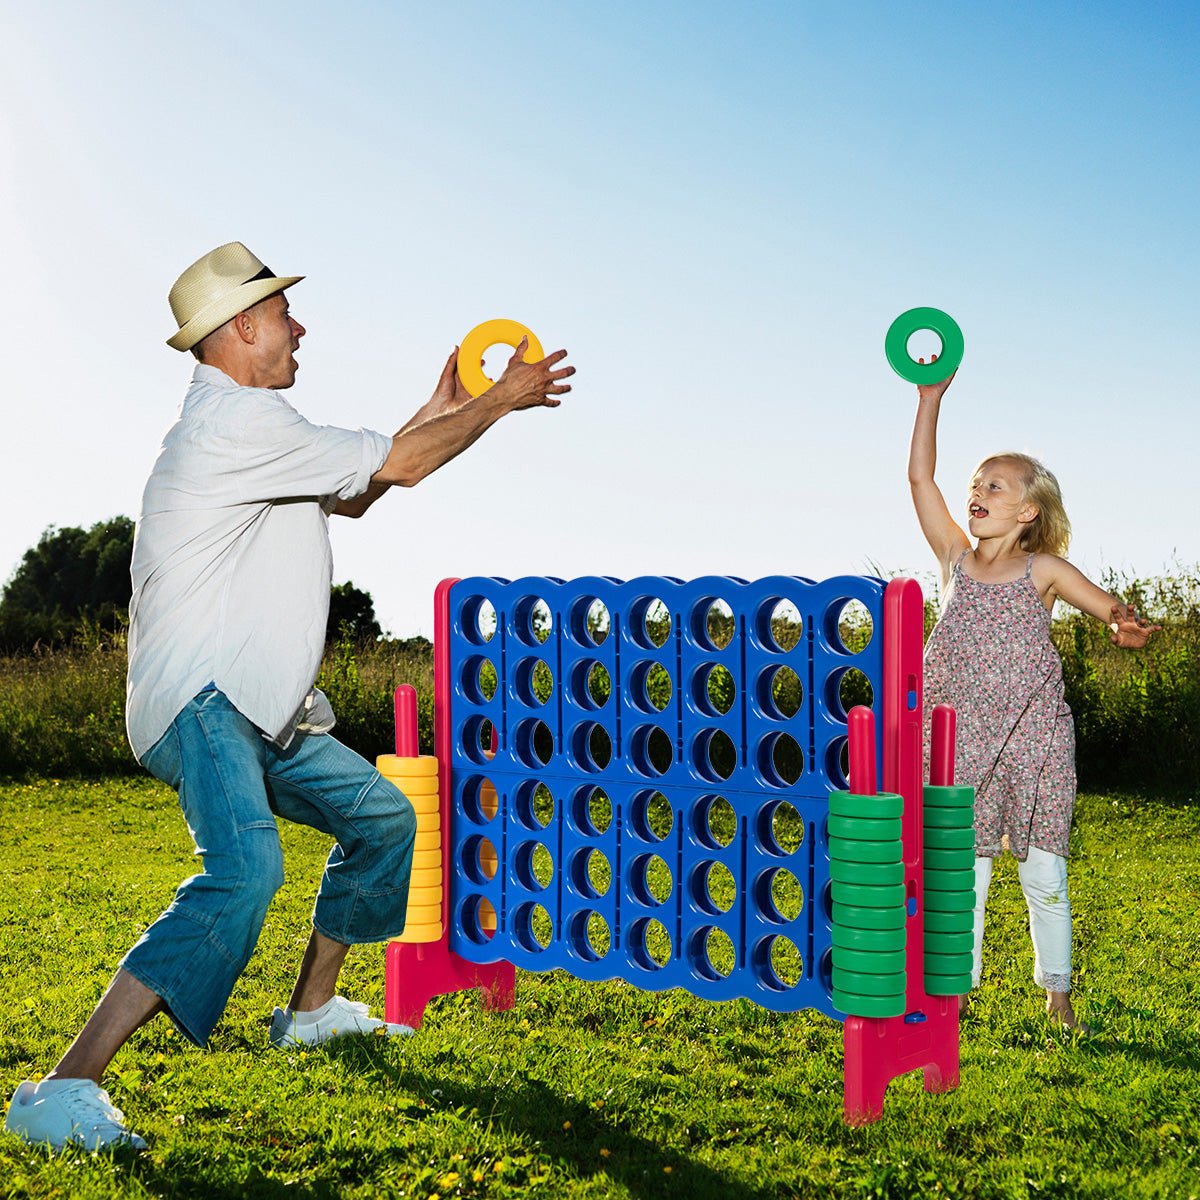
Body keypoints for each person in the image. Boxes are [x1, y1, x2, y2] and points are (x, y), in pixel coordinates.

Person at [4, 241, 574, 1151]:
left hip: (260, 708)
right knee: (245, 871)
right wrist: (502, 400)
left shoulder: (259, 432)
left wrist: (445, 408)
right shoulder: (232, 426)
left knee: (384, 821)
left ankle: (309, 1012)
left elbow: (363, 486)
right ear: (239, 329)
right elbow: (403, 467)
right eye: (281, 314)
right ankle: (62, 1091)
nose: (297, 327)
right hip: (204, 701)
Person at [908, 365, 1156, 1031]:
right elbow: (920, 481)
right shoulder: (954, 561)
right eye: (975, 485)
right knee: (965, 876)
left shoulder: (1040, 569)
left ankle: (1059, 995)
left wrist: (1123, 621)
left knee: (1043, 873)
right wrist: (930, 400)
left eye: (995, 484)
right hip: (960, 743)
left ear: (1028, 511)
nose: (976, 492)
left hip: (1034, 741)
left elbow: (1106, 606)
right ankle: (954, 994)